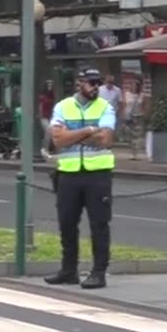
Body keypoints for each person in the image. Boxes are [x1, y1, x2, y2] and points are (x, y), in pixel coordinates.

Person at [44, 68, 116, 289]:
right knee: (66, 223)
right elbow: (57, 140)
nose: (96, 87)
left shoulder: (106, 106)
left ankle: (98, 272)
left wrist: (72, 135)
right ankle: (68, 270)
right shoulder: (63, 106)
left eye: (98, 82)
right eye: (91, 82)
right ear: (79, 84)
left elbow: (105, 139)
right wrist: (89, 130)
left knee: (99, 225)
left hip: (98, 174)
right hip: (68, 174)